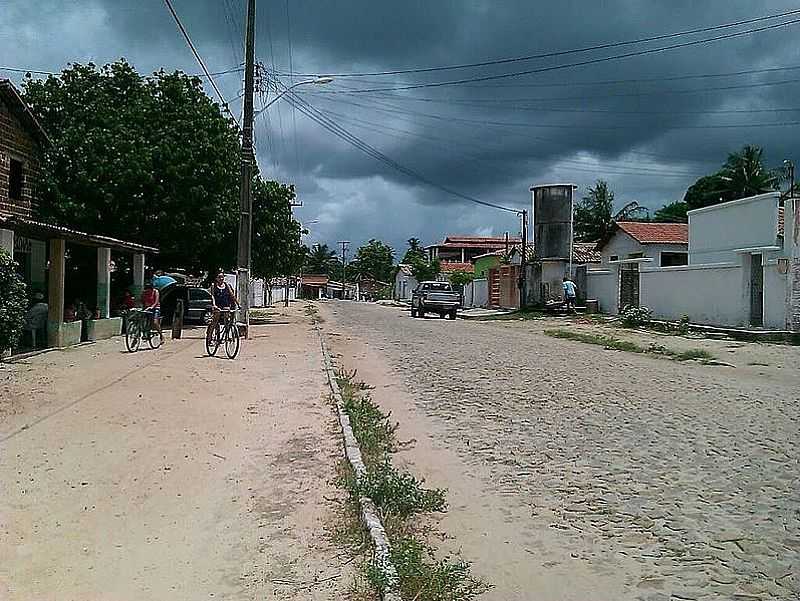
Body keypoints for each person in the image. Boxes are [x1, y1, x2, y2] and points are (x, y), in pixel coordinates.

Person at [207, 272, 238, 343]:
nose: (221, 279)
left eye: (222, 277)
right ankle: (210, 337)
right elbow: (212, 297)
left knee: (227, 318)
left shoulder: (227, 285)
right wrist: (214, 305)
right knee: (215, 320)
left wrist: (238, 304)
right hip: (217, 306)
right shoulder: (213, 286)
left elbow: (232, 296)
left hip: (225, 305)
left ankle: (227, 335)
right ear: (216, 278)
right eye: (219, 277)